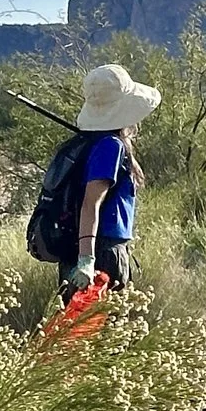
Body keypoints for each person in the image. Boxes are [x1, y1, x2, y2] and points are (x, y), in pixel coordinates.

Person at [62, 63, 161, 299]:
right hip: (102, 253)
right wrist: (86, 260)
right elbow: (91, 204)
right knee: (101, 321)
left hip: (86, 249)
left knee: (81, 322)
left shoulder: (89, 143)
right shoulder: (110, 146)